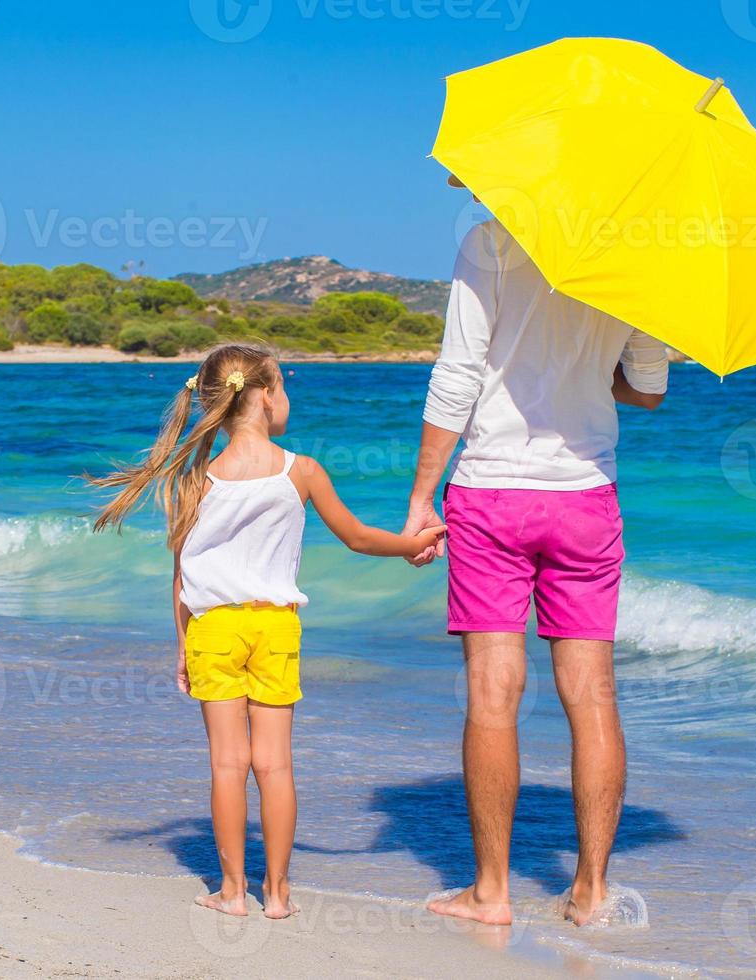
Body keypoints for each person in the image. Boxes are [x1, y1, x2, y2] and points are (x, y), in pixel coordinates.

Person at [91, 343, 446, 920]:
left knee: (227, 765)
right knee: (275, 766)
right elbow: (357, 537)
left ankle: (232, 893)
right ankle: (278, 895)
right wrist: (413, 546)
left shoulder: (195, 479)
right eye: (283, 387)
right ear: (262, 397)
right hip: (276, 628)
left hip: (213, 630)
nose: (286, 398)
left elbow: (182, 574)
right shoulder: (299, 470)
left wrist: (182, 644)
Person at [403, 217, 669, 928]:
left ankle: (491, 892)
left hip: (491, 489)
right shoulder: (641, 252)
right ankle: (589, 891)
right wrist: (589, 362)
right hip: (584, 494)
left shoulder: (490, 240)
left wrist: (421, 496)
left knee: (492, 692)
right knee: (591, 695)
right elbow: (647, 391)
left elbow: (458, 372)